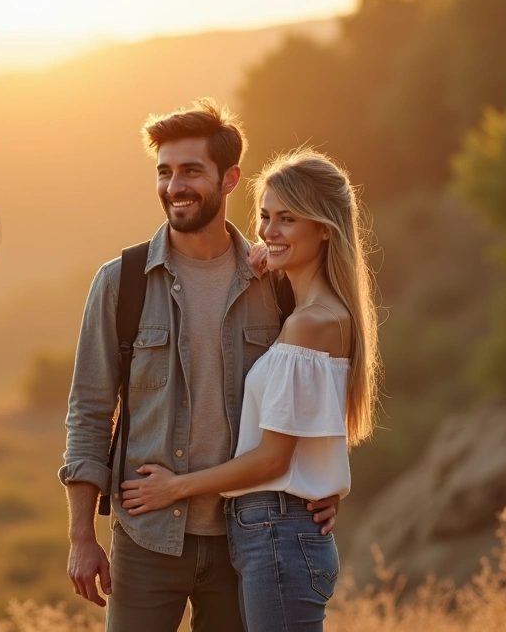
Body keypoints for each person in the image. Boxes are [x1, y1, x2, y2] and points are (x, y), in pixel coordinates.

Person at [60, 99, 340, 632]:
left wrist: (327, 485)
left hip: (250, 542)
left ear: (230, 178)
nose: (174, 186)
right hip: (146, 540)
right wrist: (80, 536)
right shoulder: (121, 282)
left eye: (191, 171)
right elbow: (89, 411)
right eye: (164, 172)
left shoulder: (276, 284)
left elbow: (314, 391)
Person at [119, 147, 382, 631]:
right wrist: (267, 259)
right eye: (264, 217)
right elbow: (308, 440)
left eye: (287, 219)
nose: (268, 231)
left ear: (324, 227)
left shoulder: (311, 324)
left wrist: (173, 488)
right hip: (274, 530)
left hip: (277, 532)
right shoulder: (310, 313)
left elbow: (273, 460)